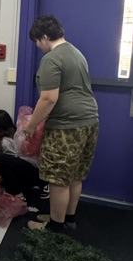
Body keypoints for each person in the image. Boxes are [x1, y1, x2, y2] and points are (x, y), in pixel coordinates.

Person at [23, 15, 99, 234]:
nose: (38, 46)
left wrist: (31, 125)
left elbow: (48, 99)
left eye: (37, 41)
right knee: (75, 174)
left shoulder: (52, 58)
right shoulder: (76, 53)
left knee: (58, 179)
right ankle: (68, 218)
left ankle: (55, 227)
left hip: (67, 125)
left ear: (45, 37)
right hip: (90, 121)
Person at [0, 109, 48, 214]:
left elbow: (8, 167)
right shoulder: (5, 136)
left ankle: (18, 195)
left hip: (32, 173)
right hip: (27, 169)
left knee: (1, 160)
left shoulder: (7, 142)